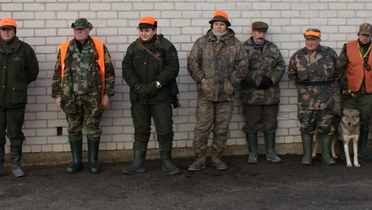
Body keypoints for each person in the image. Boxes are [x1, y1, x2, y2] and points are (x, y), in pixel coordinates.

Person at [186, 10, 248, 171]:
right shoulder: (202, 42)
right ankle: (199, 159)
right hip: (206, 94)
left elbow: (243, 65)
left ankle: (217, 158)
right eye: (216, 24)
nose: (219, 27)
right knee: (202, 128)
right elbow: (192, 62)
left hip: (226, 95)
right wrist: (202, 80)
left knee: (221, 129)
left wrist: (231, 82)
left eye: (221, 24)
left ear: (226, 26)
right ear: (212, 25)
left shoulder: (235, 43)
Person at [52, 17, 116, 174]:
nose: (79, 31)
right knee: (74, 128)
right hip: (71, 97)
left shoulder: (99, 47)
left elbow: (109, 72)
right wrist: (58, 95)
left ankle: (93, 162)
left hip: (93, 96)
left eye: (82, 29)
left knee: (93, 128)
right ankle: (77, 162)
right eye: (76, 29)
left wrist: (107, 94)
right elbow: (57, 73)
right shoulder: (65, 48)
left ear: (88, 29)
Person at [121, 16, 181, 175]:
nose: (144, 34)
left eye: (147, 30)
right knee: (140, 130)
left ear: (154, 30)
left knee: (165, 130)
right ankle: (138, 163)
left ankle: (167, 162)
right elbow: (127, 69)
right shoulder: (133, 48)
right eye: (141, 30)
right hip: (139, 97)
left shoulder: (166, 46)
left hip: (161, 97)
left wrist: (157, 84)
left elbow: (172, 68)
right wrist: (137, 86)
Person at [0, 17, 39, 178]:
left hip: (16, 100)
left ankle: (15, 164)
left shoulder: (24, 49)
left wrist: (18, 85)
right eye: (4, 29)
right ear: (0, 31)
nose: (6, 32)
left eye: (9, 29)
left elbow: (32, 72)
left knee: (15, 133)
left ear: (14, 31)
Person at [287, 28, 341, 166]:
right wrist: (304, 89)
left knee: (326, 126)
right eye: (308, 39)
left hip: (325, 97)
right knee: (306, 126)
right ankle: (307, 155)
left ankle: (326, 156)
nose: (310, 42)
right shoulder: (298, 56)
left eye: (313, 39)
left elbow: (338, 72)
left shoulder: (329, 53)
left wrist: (328, 87)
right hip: (306, 99)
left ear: (319, 40)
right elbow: (292, 75)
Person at [338, 23, 372, 160]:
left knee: (365, 120)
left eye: (368, 36)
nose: (365, 38)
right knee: (347, 119)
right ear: (358, 34)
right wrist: (344, 87)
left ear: (371, 36)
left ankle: (362, 149)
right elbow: (340, 69)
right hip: (351, 91)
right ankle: (344, 151)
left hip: (368, 92)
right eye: (363, 35)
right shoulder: (348, 47)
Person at [240, 21, 286, 163]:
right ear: (252, 32)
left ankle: (270, 152)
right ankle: (253, 153)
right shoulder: (243, 48)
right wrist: (258, 80)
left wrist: (272, 79)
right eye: (258, 32)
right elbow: (240, 69)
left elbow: (281, 65)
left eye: (263, 33)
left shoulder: (272, 48)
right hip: (251, 95)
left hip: (270, 95)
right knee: (251, 125)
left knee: (270, 124)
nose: (261, 35)